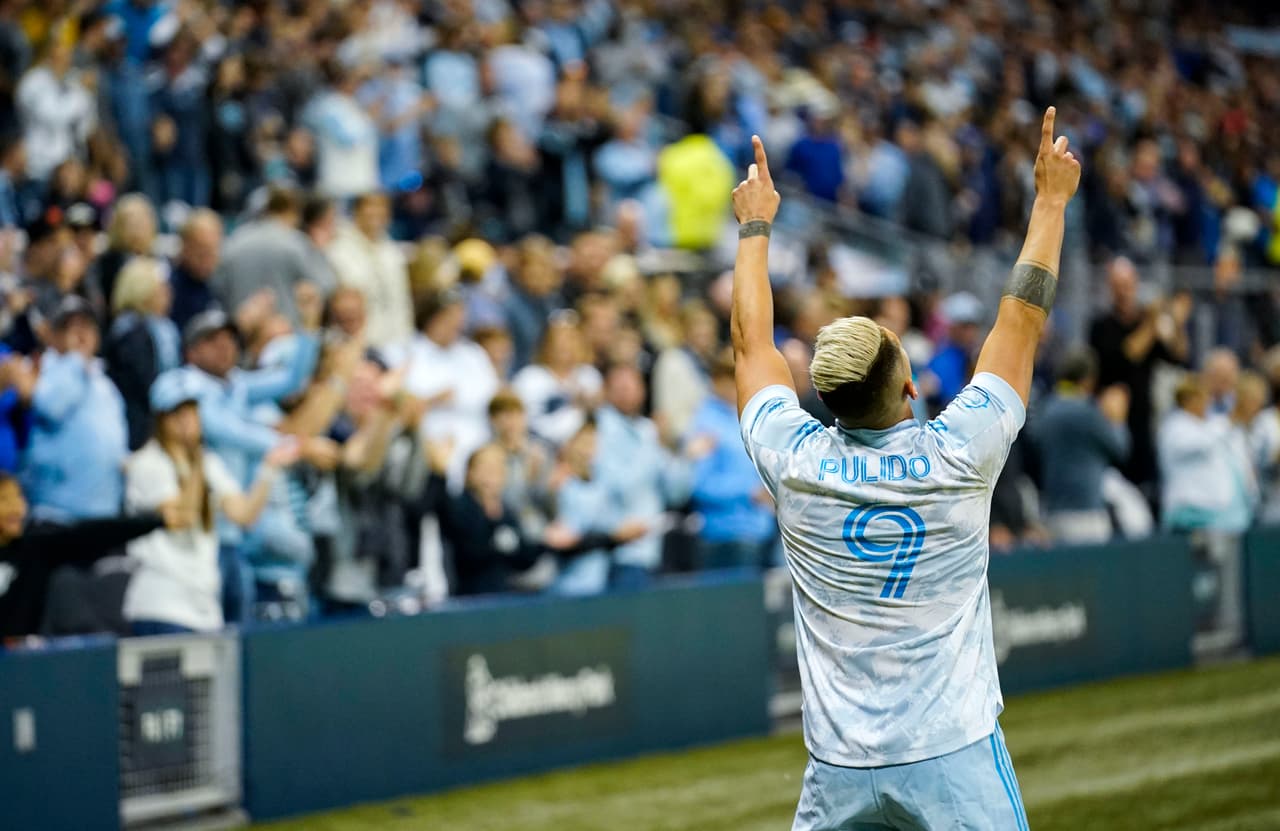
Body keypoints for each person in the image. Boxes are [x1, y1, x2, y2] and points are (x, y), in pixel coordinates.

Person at [732, 111, 1078, 828]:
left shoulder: (795, 462)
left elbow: (748, 343)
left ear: (826, 396)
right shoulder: (960, 452)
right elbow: (1021, 318)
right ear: (912, 385)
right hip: (953, 752)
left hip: (840, 766)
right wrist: (1049, 201)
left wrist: (755, 229)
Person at [122, 371, 300, 635]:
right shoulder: (148, 464)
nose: (187, 421)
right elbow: (182, 517)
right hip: (161, 604)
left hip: (203, 607)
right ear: (161, 419)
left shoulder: (209, 463)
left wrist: (269, 469)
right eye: (177, 413)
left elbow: (244, 515)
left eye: (192, 411)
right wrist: (194, 458)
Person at [0, 473, 187, 639]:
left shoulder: (35, 547)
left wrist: (155, 521)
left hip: (21, 665)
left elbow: (93, 533)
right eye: (4, 500)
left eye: (18, 498)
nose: (16, 508)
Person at [1089, 257, 1190, 494]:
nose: (1124, 292)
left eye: (1128, 285)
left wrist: (1176, 322)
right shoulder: (1101, 326)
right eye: (1118, 285)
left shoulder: (1147, 322)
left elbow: (1178, 356)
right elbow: (1127, 354)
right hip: (1113, 422)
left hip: (1144, 419)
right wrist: (1152, 323)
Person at [23, 296, 129, 521]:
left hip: (104, 509)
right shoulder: (41, 369)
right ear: (52, 336)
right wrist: (76, 361)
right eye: (69, 327)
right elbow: (50, 406)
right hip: (56, 510)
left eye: (87, 326)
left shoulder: (105, 383)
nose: (81, 334)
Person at [594, 362, 693, 589]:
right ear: (606, 391)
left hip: (654, 551)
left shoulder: (648, 430)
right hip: (619, 552)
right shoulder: (599, 430)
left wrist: (672, 449)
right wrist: (652, 446)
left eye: (632, 384)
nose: (627, 390)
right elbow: (618, 487)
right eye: (619, 385)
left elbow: (677, 492)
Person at [1030, 347, 1130, 545]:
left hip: (1053, 513)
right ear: (1088, 379)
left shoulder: (1045, 409)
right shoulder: (1089, 413)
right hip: (1088, 515)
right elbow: (1121, 449)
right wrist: (1118, 419)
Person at [686, 350, 775, 570]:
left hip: (762, 530)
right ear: (718, 381)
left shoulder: (747, 418)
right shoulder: (705, 424)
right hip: (726, 536)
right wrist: (749, 492)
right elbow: (699, 484)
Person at [1158, 375, 1257, 534]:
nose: (1207, 402)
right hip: (1189, 515)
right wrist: (1232, 419)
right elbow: (1202, 443)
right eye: (1203, 398)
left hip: (1217, 516)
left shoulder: (1208, 425)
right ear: (1190, 400)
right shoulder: (1174, 426)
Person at [104, 256, 181, 450]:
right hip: (137, 429)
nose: (169, 293)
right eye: (162, 288)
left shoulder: (164, 329)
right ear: (144, 290)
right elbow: (144, 385)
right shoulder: (129, 333)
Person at [211, 186, 314, 326]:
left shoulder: (234, 240)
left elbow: (217, 286)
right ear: (293, 211)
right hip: (286, 334)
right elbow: (323, 286)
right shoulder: (295, 242)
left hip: (242, 334)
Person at [325, 191, 414, 350]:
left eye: (382, 206)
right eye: (371, 205)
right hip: (355, 346)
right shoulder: (337, 251)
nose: (377, 212)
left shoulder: (392, 252)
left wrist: (406, 341)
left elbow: (402, 301)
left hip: (396, 344)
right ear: (357, 210)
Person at [511, 313, 601, 446]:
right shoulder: (529, 378)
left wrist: (590, 402)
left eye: (571, 338)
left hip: (579, 450)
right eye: (558, 338)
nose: (564, 345)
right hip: (537, 446)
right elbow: (517, 421)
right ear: (546, 343)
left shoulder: (589, 376)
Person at [168, 208, 223, 332]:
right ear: (185, 247)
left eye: (213, 251)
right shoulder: (169, 291)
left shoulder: (215, 285)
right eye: (201, 251)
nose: (208, 259)